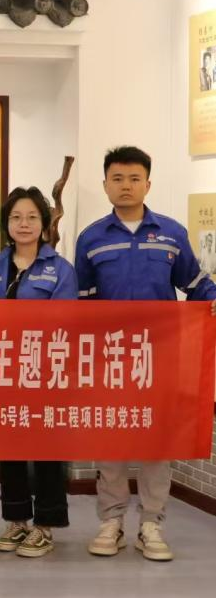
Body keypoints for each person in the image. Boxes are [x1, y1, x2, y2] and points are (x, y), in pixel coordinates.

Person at [76, 146, 216, 562]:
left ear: (148, 184)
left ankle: (152, 523)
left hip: (160, 357)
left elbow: (196, 284)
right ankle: (112, 521)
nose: (126, 186)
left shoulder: (171, 234)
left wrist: (212, 299)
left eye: (134, 178)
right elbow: (80, 303)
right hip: (110, 358)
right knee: (112, 440)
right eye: (117, 179)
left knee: (158, 440)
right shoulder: (91, 239)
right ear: (105, 185)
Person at [0, 187, 78, 558]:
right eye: (15, 218)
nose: (23, 224)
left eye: (31, 217)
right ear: (6, 224)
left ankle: (45, 525)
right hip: (3, 372)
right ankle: (16, 520)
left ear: (44, 223)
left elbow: (64, 323)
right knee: (9, 448)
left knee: (46, 449)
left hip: (45, 374)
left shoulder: (61, 269)